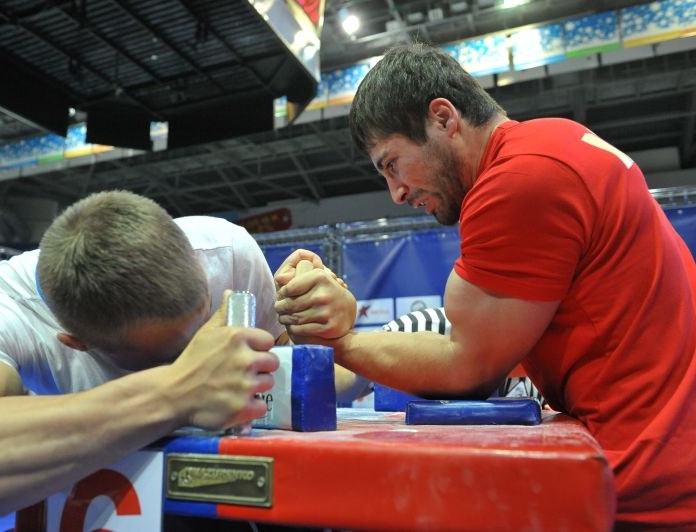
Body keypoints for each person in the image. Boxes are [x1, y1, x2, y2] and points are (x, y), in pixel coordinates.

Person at [274, 43, 696, 529]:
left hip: (645, 484)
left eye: (392, 164)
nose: (397, 193)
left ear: (443, 118)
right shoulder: (555, 141)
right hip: (662, 462)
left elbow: (466, 366)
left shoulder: (520, 178)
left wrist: (339, 340)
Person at [0, 190, 293, 525]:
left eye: (199, 319)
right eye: (159, 355)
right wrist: (175, 392)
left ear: (203, 278)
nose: (192, 353)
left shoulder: (226, 252)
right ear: (76, 342)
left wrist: (322, 337)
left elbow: (285, 386)